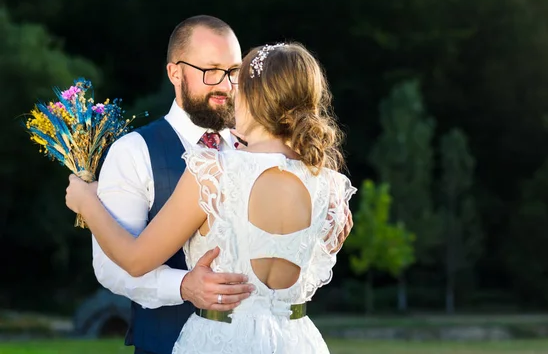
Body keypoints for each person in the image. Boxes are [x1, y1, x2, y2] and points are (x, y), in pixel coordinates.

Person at [66, 41, 356, 353]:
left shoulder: (213, 171)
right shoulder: (332, 186)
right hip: (298, 341)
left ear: (251, 97)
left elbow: (135, 260)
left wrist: (86, 203)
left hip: (222, 339)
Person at [91, 15, 256, 354]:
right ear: (175, 73)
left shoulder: (255, 150)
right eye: (211, 70)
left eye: (234, 71)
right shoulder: (133, 152)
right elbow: (110, 267)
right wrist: (182, 285)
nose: (226, 85)